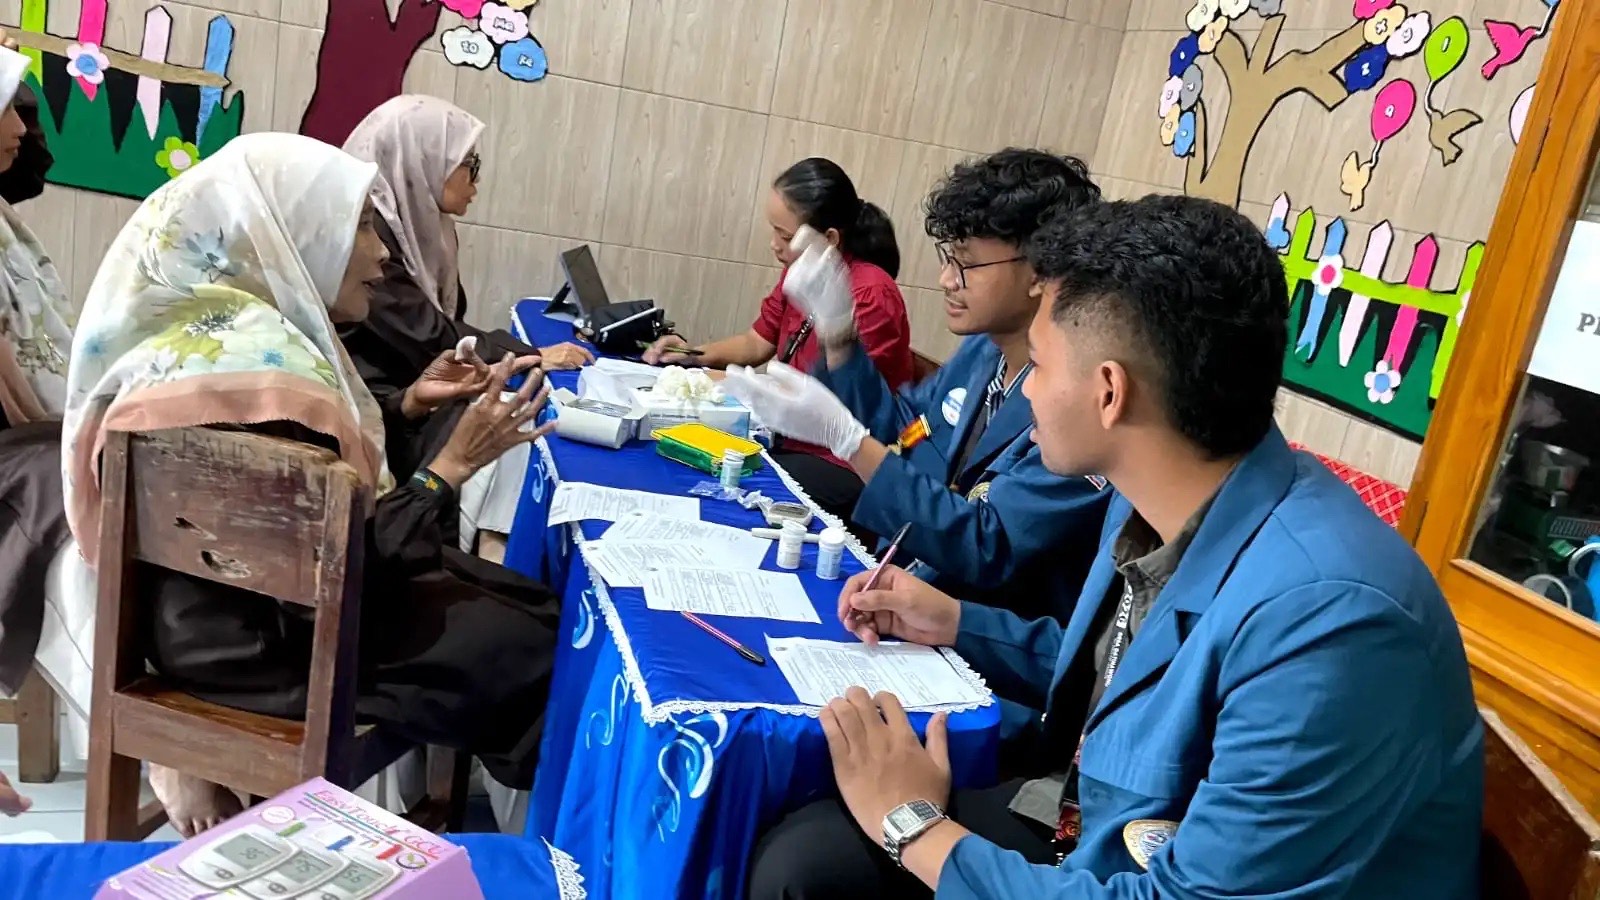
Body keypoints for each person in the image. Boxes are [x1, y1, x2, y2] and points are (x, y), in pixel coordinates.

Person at [747, 195, 1483, 899]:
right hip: (1089, 822)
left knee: (811, 860)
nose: (1026, 392)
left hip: (1124, 862)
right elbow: (1125, 674)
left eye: (1038, 365)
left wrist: (913, 825)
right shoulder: (1153, 493)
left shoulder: (1331, 623)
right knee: (806, 841)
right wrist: (955, 621)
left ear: (1109, 392)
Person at [63, 133, 562, 837]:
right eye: (361, 226)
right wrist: (447, 470)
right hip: (271, 646)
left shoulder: (203, 338)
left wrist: (411, 406)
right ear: (291, 232)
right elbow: (345, 564)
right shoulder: (275, 371)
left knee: (522, 601)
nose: (381, 255)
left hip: (205, 625)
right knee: (537, 647)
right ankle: (557, 860)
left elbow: (307, 500)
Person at [725, 150, 1110, 622]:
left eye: (965, 263)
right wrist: (840, 336)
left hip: (970, 625)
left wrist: (847, 442)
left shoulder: (1080, 398)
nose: (945, 279)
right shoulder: (983, 352)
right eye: (949, 258)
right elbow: (904, 431)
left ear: (1039, 272)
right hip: (902, 585)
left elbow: (989, 546)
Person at [340, 94, 590, 546]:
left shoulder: (416, 225)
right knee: (512, 420)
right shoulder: (372, 236)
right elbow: (430, 335)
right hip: (382, 422)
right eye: (467, 163)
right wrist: (530, 354)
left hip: (403, 403)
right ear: (422, 159)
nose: (476, 179)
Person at [643, 158, 913, 526]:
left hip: (841, 459)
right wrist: (689, 358)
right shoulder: (802, 270)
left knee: (720, 483)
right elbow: (756, 341)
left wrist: (718, 379)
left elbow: (839, 401)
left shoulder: (871, 293)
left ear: (830, 238)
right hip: (788, 438)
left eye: (785, 236)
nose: (774, 245)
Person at [0, 38, 76, 701]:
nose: (24, 130)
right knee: (77, 482)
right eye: (9, 109)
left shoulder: (7, 229)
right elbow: (17, 404)